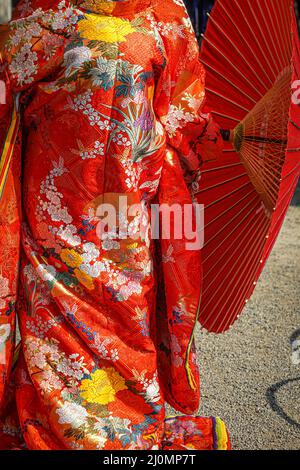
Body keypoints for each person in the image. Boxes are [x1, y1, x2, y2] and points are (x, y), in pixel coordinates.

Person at [0, 0, 228, 450]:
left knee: (97, 311)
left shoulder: (49, 9)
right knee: (106, 311)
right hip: (85, 210)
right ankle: (113, 430)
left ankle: (65, 427)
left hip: (78, 206)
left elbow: (11, 71)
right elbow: (186, 119)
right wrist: (209, 141)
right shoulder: (166, 16)